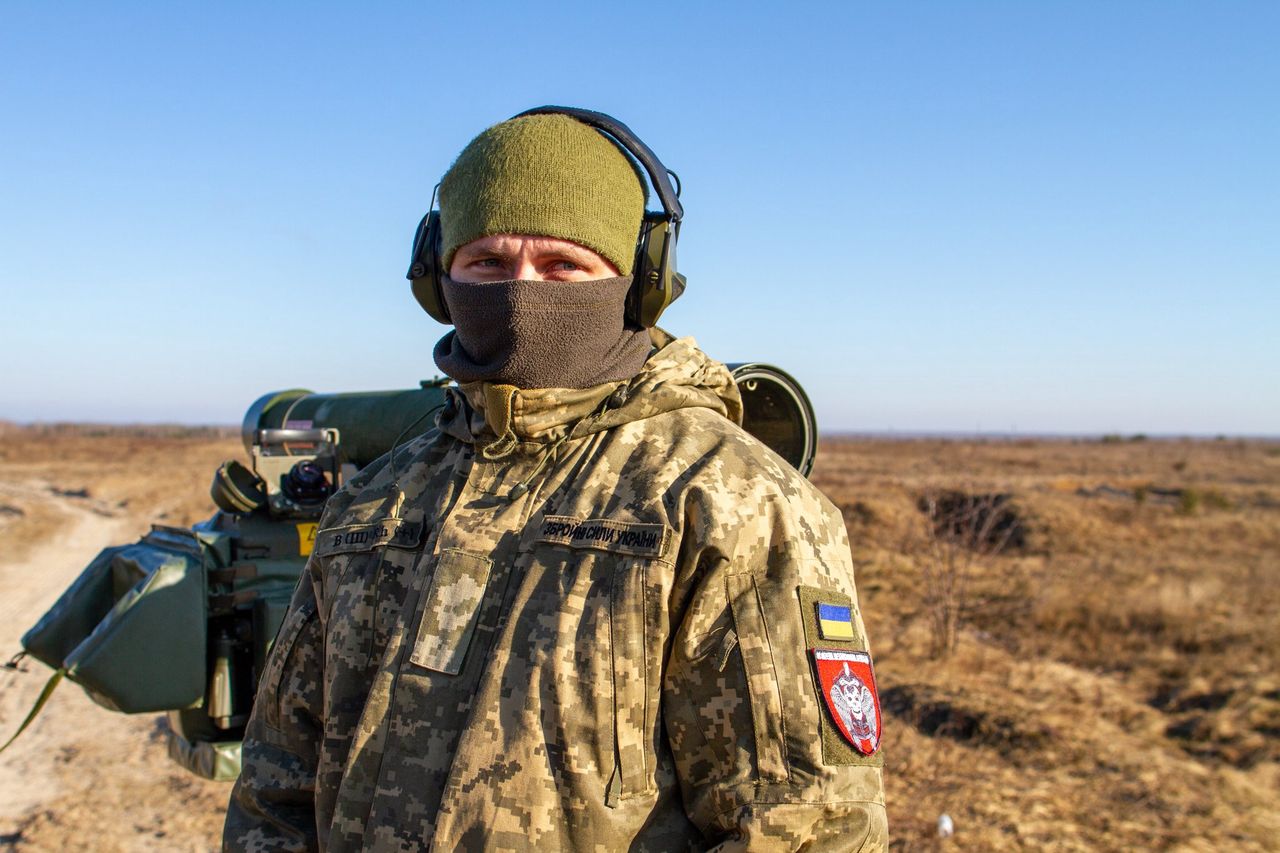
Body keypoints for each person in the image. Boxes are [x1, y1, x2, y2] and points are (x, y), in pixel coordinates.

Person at [223, 107, 888, 851]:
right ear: (438, 280)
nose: (522, 291)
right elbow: (276, 786)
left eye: (563, 266)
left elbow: (808, 827)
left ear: (640, 280)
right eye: (488, 264)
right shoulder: (374, 499)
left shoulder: (730, 502)